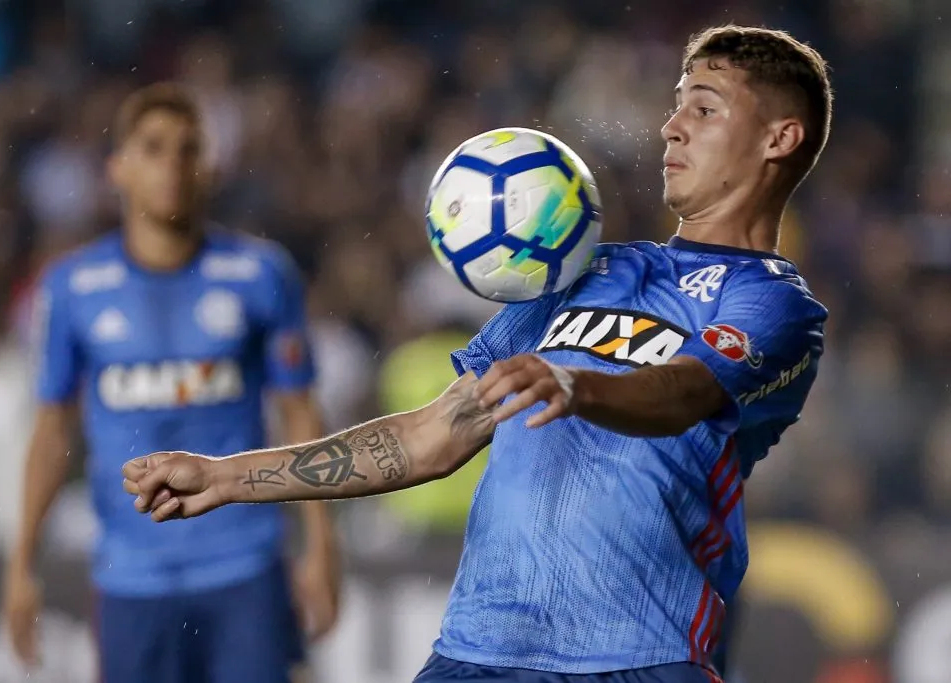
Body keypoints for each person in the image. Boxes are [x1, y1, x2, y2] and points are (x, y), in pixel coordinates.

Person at [124, 25, 831, 683]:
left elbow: (683, 394)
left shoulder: (774, 303)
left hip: (638, 656)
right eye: (677, 105)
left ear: (780, 137)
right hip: (477, 652)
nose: (670, 126)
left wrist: (575, 384)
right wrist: (227, 476)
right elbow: (434, 434)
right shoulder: (582, 271)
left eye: (703, 109)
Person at [2, 83, 340, 683]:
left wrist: (319, 545)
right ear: (118, 169)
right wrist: (21, 564)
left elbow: (300, 415)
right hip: (130, 576)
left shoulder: (262, 275)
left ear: (208, 167)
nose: (173, 166)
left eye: (188, 149)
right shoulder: (72, 288)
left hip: (245, 565)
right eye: (153, 148)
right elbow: (53, 433)